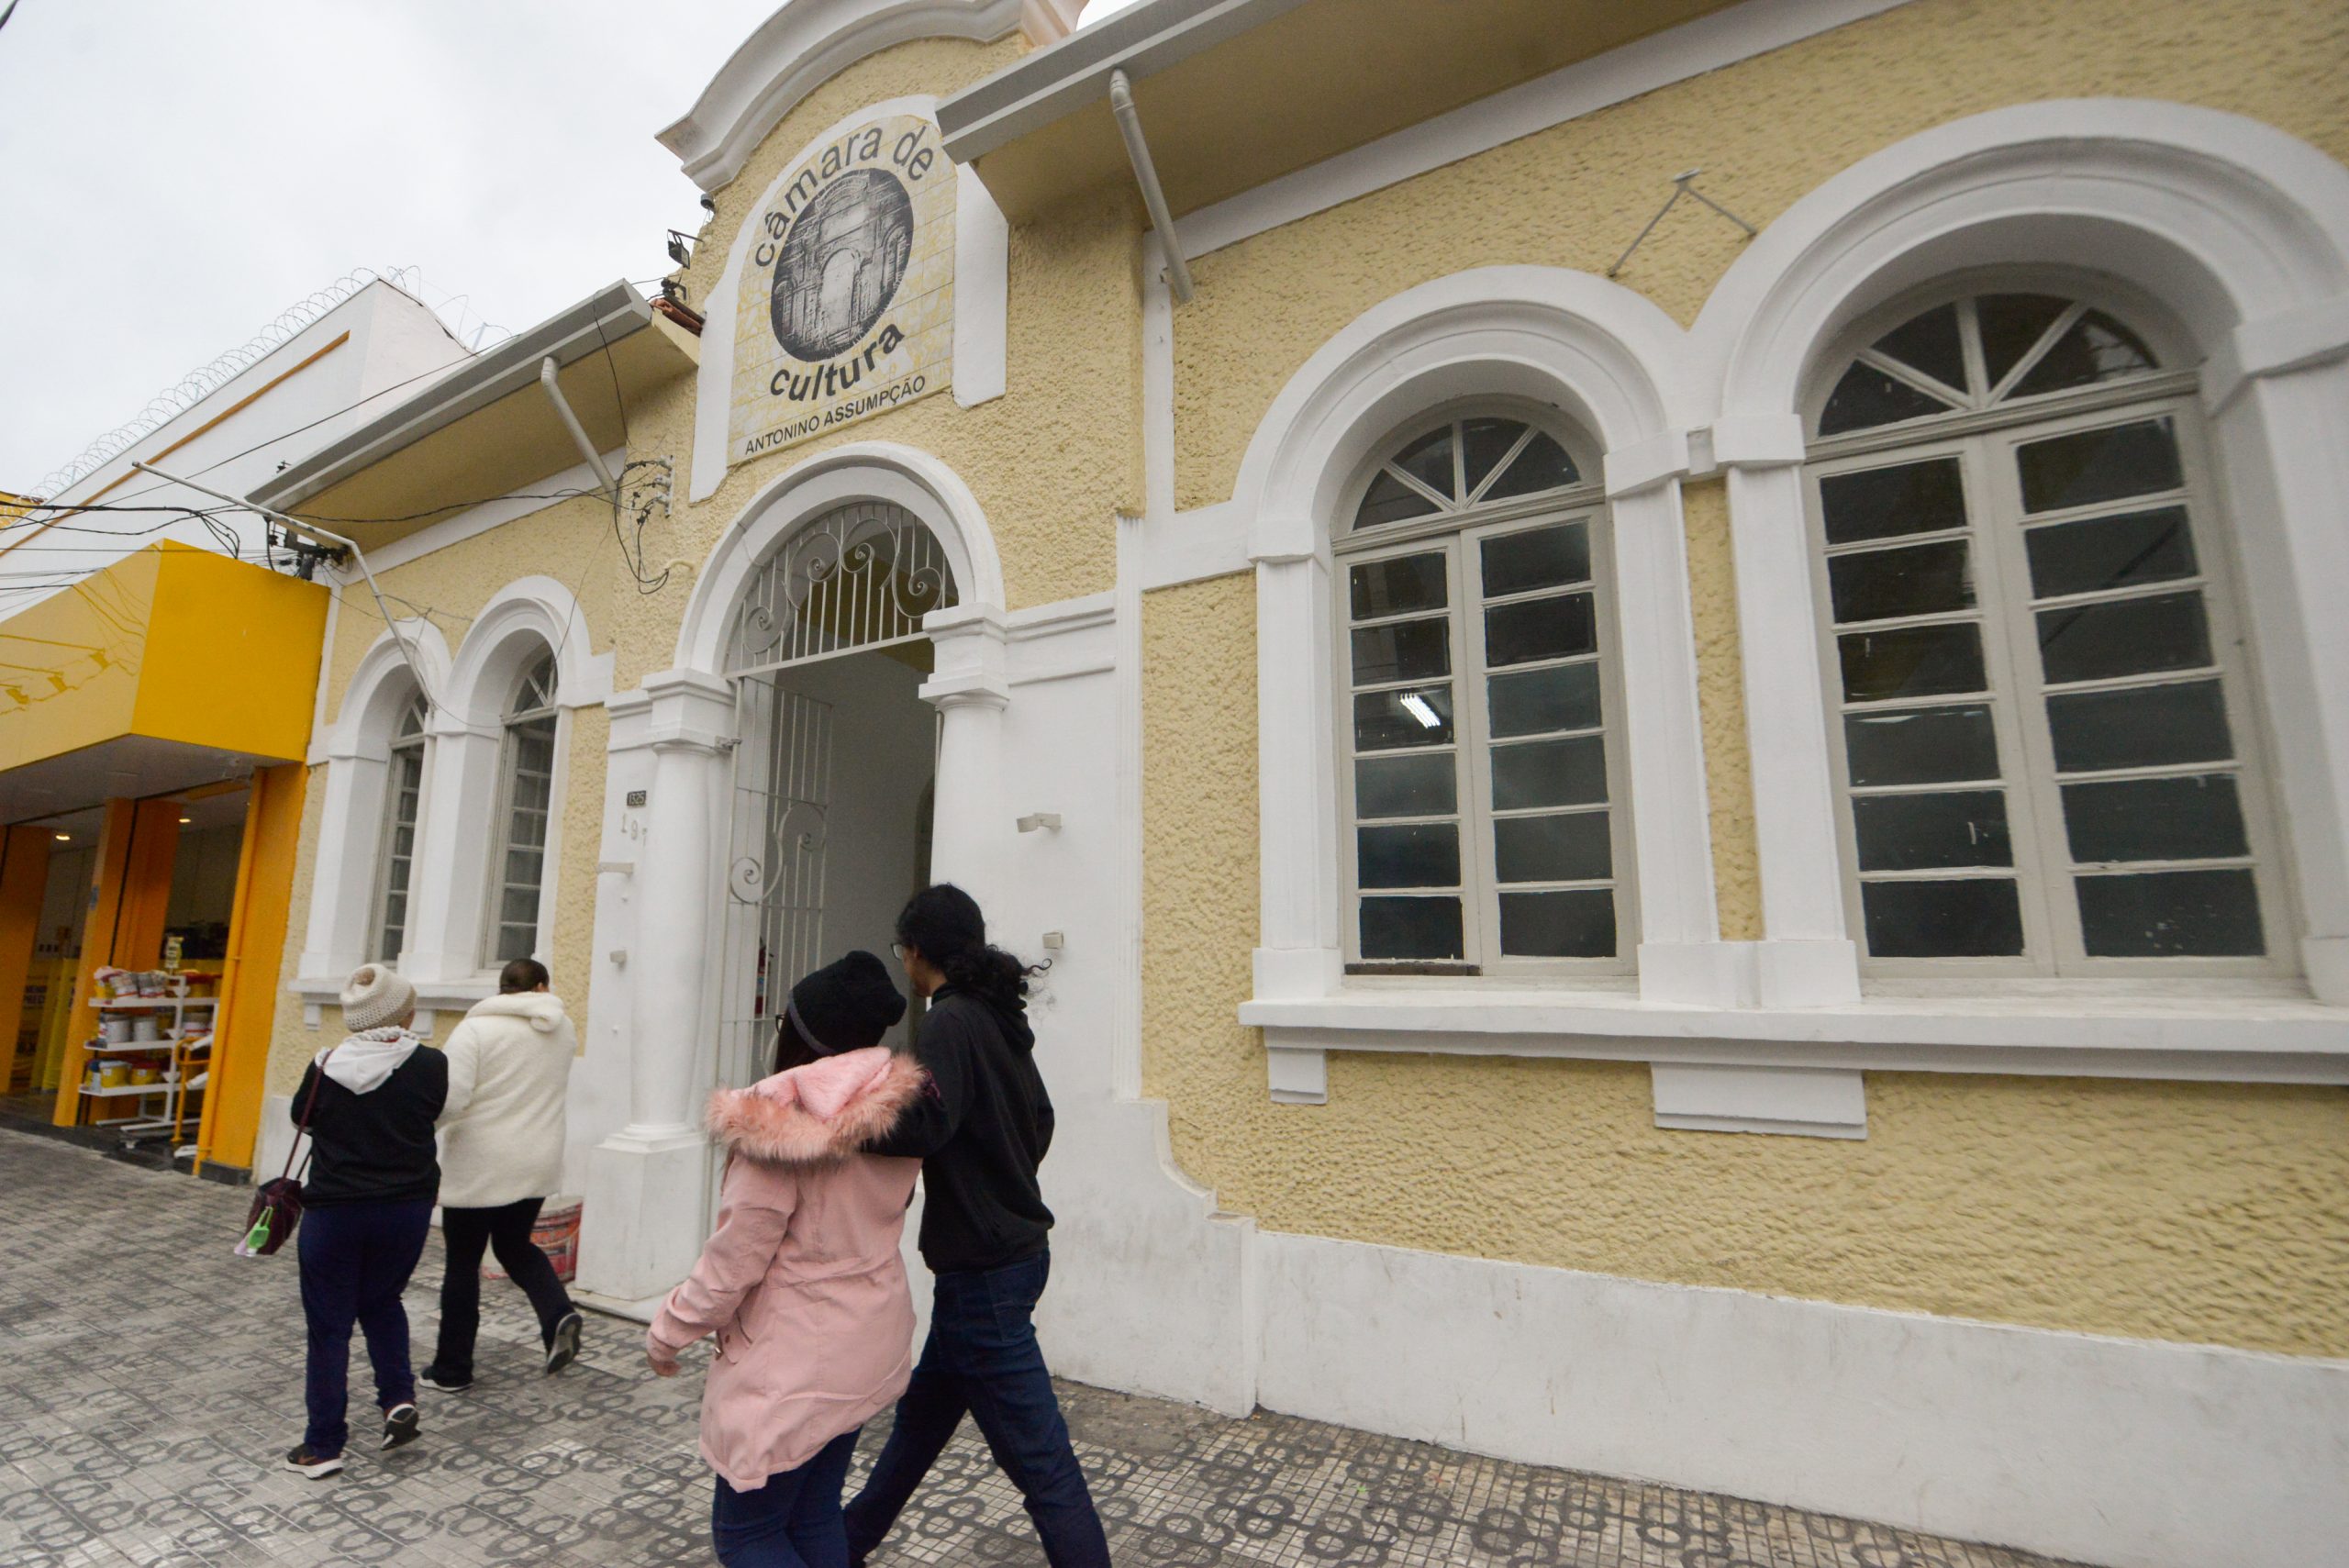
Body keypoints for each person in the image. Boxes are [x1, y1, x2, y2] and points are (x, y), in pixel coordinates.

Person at [843, 884, 1112, 1568]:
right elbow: (1041, 1116)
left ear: (918, 953)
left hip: (986, 1275)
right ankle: (842, 1545)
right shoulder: (995, 1016)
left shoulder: (950, 1021)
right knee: (915, 1432)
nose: (903, 962)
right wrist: (1003, 1171)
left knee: (1044, 1468)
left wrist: (841, 1124)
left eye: (903, 949)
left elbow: (926, 1121)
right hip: (1002, 1259)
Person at [647, 951, 929, 1568]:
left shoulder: (780, 1132)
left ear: (801, 1036)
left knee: (748, 1534)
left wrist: (668, 1329)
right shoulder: (898, 1117)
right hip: (865, 1342)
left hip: (792, 1364)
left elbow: (733, 1263)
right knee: (812, 1513)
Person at [284, 963, 448, 1479]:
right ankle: (397, 1398)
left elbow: (300, 1118)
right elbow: (435, 1111)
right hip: (406, 1208)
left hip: (336, 1210)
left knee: (329, 1327)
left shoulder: (325, 1065)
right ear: (403, 1013)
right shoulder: (430, 1064)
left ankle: (323, 1445)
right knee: (383, 1300)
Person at [421, 957, 584, 1391]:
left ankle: (452, 1369)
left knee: (462, 1262)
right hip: (537, 1156)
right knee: (514, 1246)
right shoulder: (563, 1030)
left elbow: (452, 1100)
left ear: (500, 989)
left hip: (480, 1161)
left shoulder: (475, 1031)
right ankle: (557, 1314)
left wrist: (422, 1132)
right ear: (542, 987)